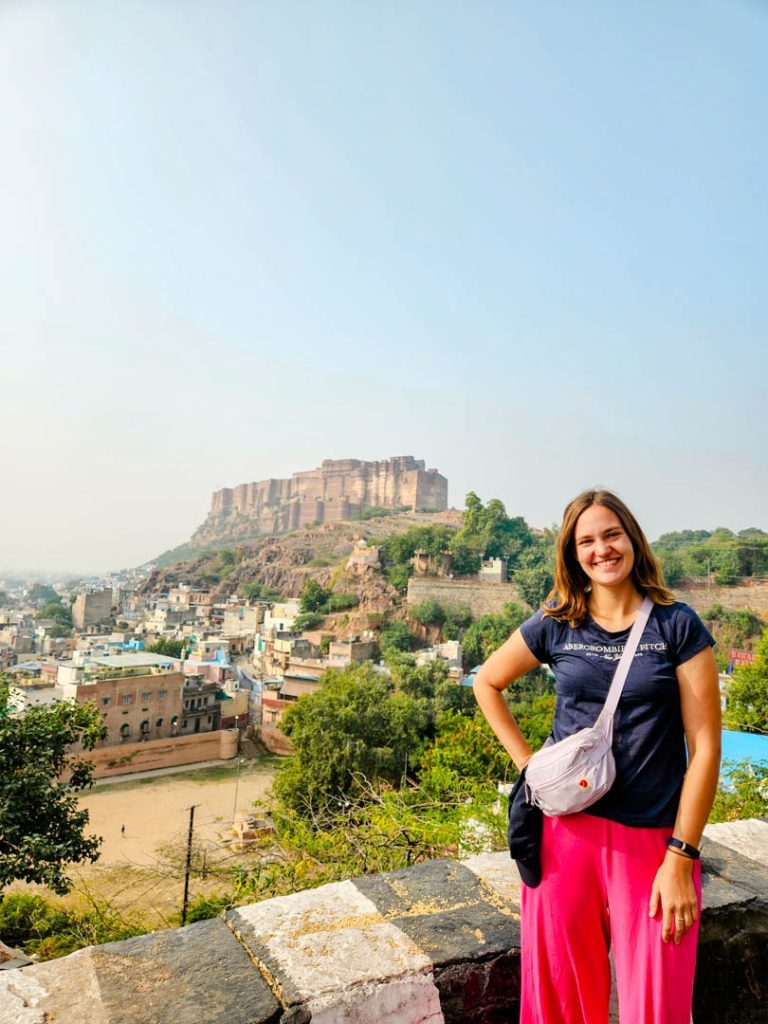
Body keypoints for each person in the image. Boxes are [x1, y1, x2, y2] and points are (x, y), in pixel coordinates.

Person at [473, 488, 721, 1024]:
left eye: (611, 534)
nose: (602, 549)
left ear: (632, 538)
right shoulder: (559, 620)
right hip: (563, 835)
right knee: (558, 1003)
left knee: (657, 1005)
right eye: (586, 540)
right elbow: (487, 682)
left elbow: (704, 751)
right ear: (572, 554)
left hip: (651, 843)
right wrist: (528, 768)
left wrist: (682, 858)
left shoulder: (677, 626)